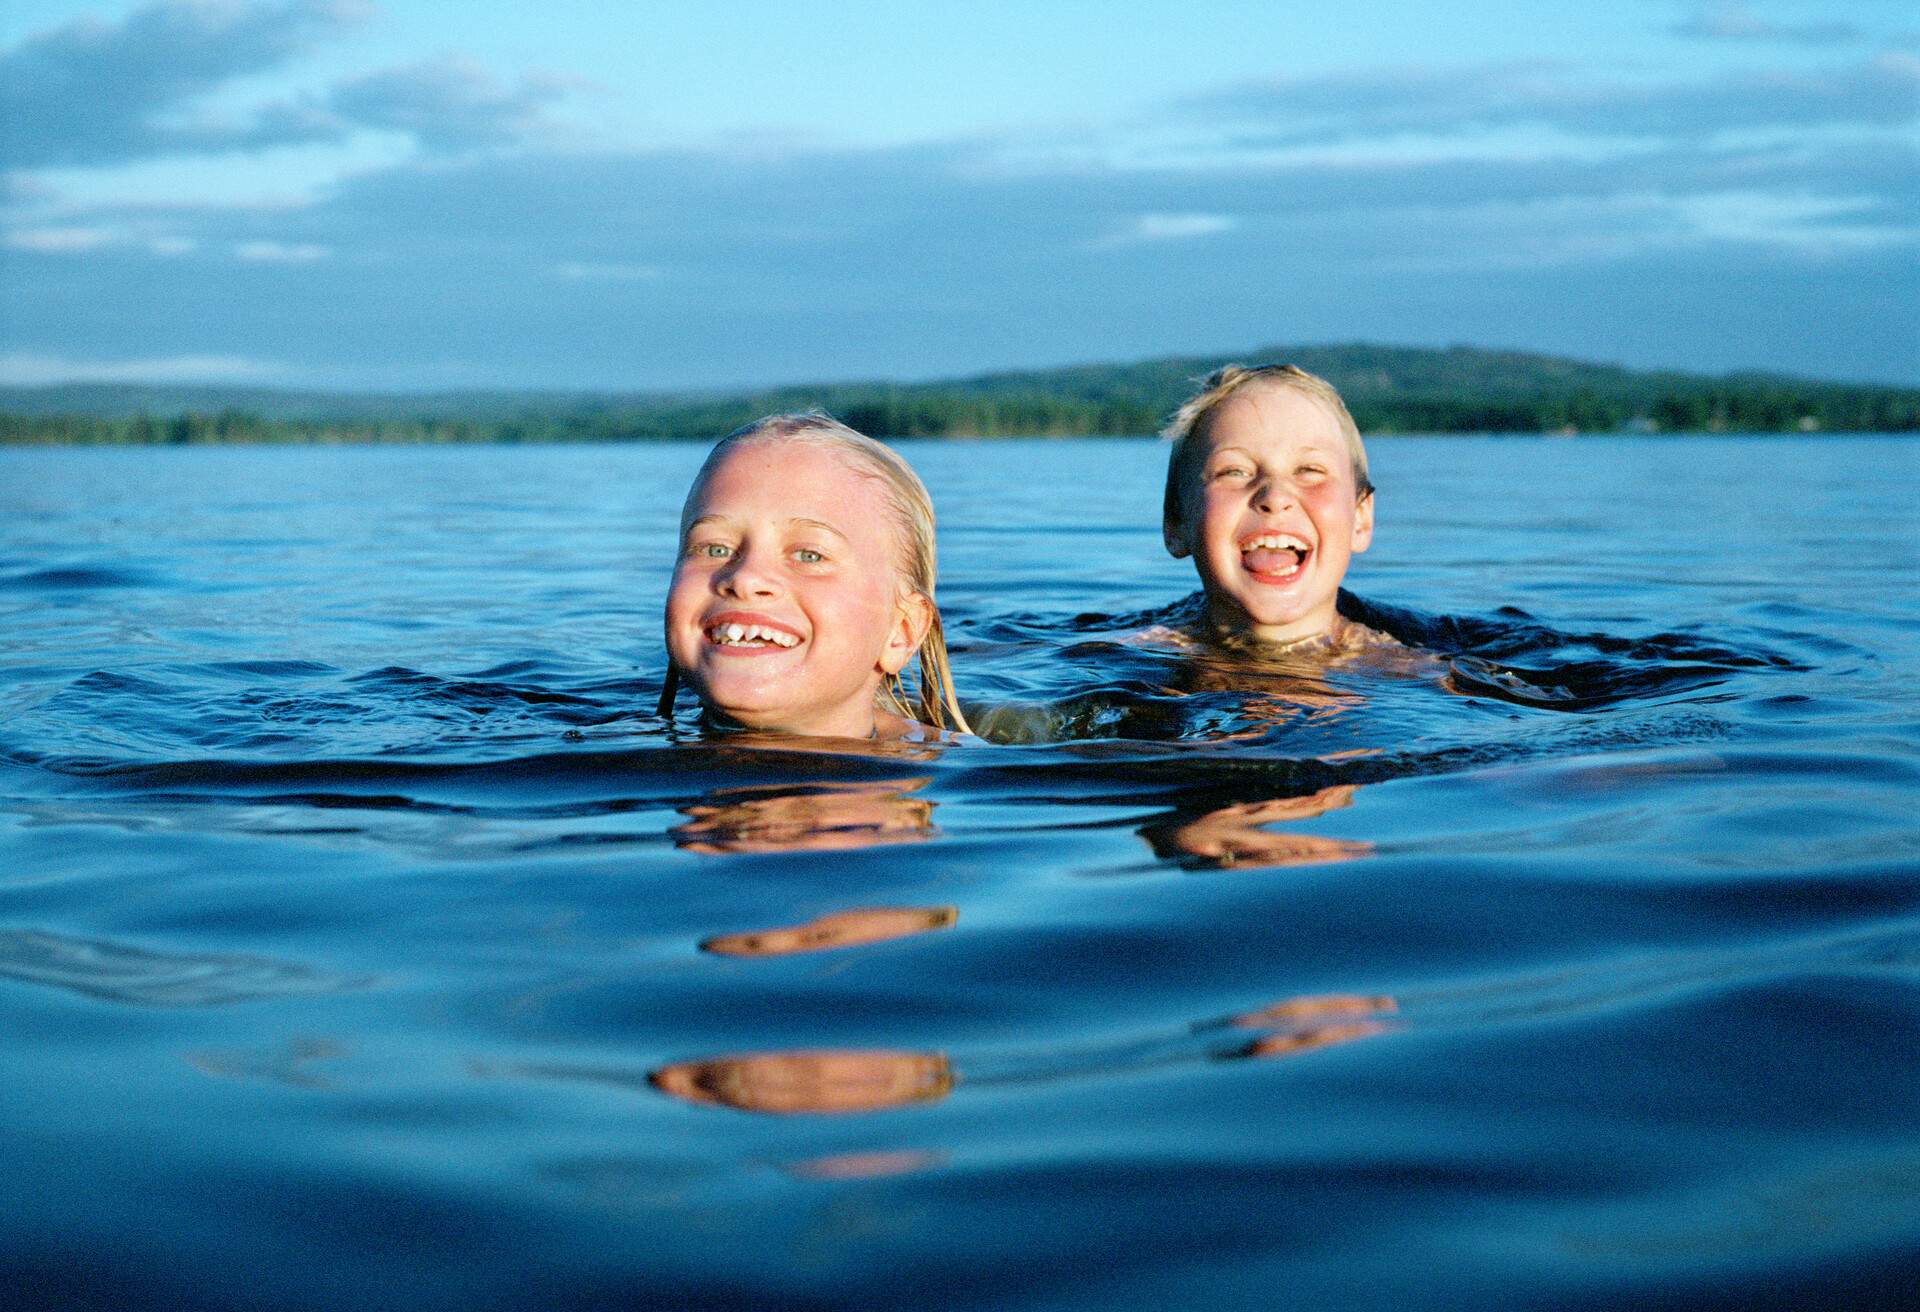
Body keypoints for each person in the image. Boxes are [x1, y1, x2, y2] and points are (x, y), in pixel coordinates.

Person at [658, 412, 971, 741]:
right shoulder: (609, 761)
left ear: (901, 632)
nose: (746, 578)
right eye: (715, 549)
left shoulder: (970, 779)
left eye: (809, 555)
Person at [1159, 363, 1392, 653]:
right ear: (1175, 522)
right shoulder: (1111, 662)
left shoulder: (1435, 674)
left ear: (1361, 519)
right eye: (1234, 471)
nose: (1275, 496)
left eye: (1309, 470)